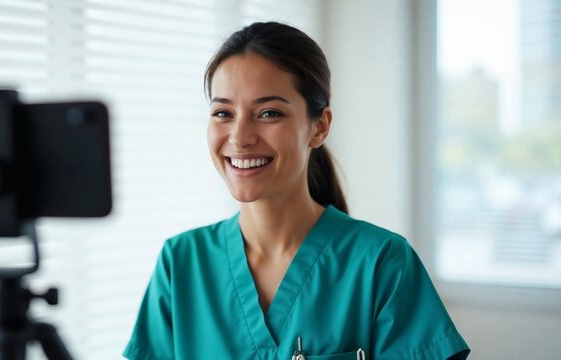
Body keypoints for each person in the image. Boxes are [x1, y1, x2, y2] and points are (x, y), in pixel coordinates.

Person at [123, 22, 470, 360]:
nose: (240, 137)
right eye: (223, 112)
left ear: (319, 127)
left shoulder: (382, 263)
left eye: (269, 113)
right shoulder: (181, 263)